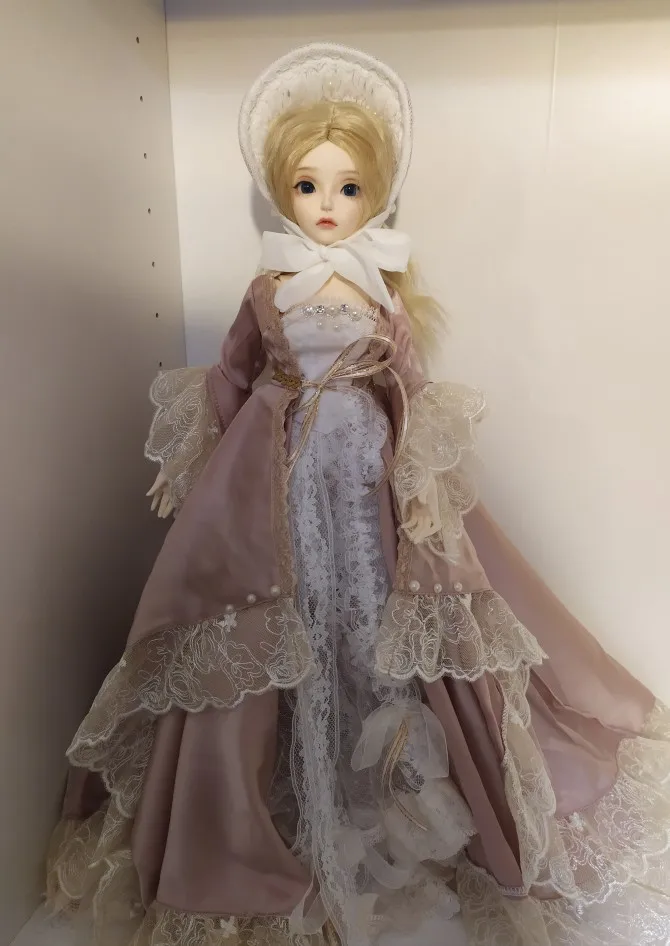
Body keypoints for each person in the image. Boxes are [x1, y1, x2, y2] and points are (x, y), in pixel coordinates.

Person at [47, 43, 670, 946]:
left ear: (374, 195)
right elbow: (230, 377)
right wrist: (185, 463)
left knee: (377, 614)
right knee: (286, 614)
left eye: (347, 187)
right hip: (280, 476)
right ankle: (283, 798)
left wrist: (418, 486)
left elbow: (408, 391)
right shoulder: (268, 288)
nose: (328, 204)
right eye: (309, 186)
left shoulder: (381, 291)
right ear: (283, 190)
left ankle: (388, 788)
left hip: (366, 477)